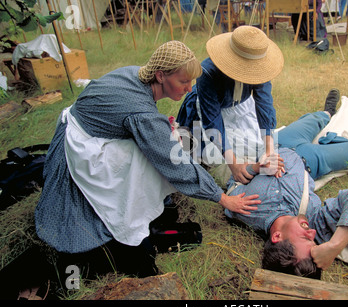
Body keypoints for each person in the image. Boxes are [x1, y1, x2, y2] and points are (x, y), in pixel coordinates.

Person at [34, 40, 261, 280]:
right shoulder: (141, 113)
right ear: (161, 75)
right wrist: (222, 197)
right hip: (83, 146)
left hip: (82, 127)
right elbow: (177, 165)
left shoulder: (135, 73)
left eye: (190, 81)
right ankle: (126, 221)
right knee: (148, 163)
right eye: (183, 81)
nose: (188, 88)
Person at [224, 90, 348, 278]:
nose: (312, 233)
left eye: (304, 237)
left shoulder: (246, 210)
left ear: (277, 237)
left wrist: (257, 168)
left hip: (279, 143)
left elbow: (234, 181)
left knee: (317, 119)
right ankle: (329, 139)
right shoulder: (313, 222)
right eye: (314, 241)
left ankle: (327, 113)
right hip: (313, 160)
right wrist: (334, 246)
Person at [176, 25, 285, 185]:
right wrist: (233, 164)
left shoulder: (259, 68)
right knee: (197, 161)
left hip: (238, 107)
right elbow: (212, 120)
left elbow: (264, 105)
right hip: (206, 111)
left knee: (253, 149)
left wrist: (269, 150)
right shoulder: (207, 73)